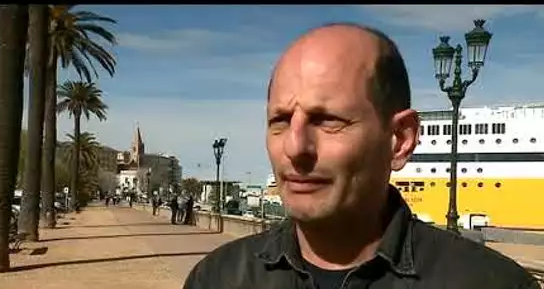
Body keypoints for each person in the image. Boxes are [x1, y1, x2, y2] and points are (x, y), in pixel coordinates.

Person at [183, 23, 539, 288]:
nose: (295, 148)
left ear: (399, 140)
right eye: (280, 121)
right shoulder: (218, 279)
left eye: (328, 121)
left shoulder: (491, 284)